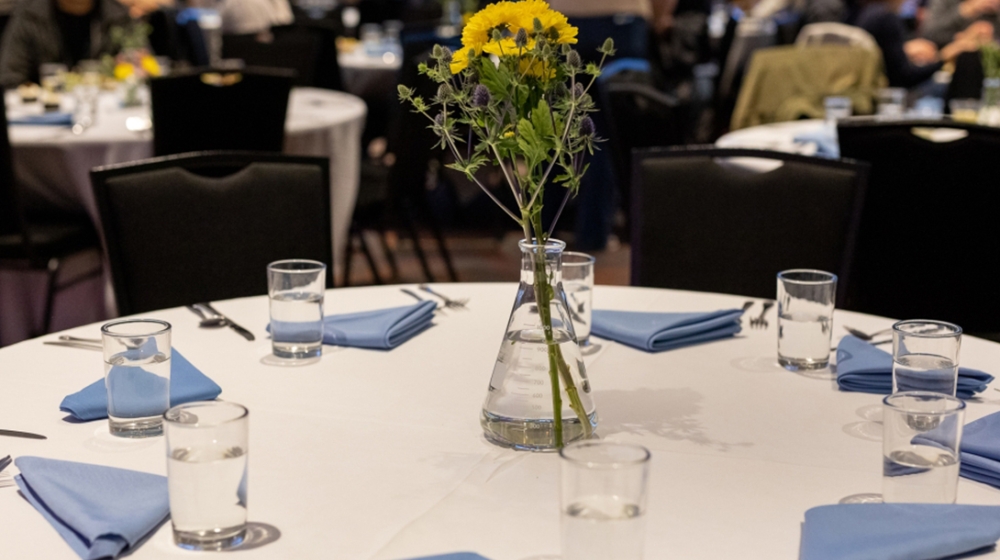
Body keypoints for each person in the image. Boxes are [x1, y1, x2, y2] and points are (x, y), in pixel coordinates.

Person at [0, 0, 133, 88]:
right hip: (45, 115)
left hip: (108, 111)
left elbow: (144, 67)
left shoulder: (118, 14)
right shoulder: (30, 14)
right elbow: (9, 76)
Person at [847, 0, 981, 87]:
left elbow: (886, 58)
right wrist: (944, 56)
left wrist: (906, 49)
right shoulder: (886, 18)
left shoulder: (869, 12)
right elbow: (904, 78)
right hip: (885, 98)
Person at [922, 0, 999, 46]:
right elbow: (929, 34)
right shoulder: (946, 2)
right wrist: (962, 12)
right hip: (947, 57)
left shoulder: (994, 8)